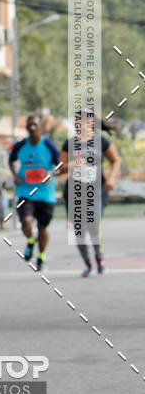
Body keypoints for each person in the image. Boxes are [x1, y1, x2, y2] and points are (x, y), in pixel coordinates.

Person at [59, 111, 121, 277]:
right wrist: (72, 163)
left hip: (97, 191)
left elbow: (115, 160)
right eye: (79, 120)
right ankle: (88, 263)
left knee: (93, 223)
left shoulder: (102, 141)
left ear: (92, 123)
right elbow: (59, 169)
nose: (82, 122)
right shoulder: (69, 143)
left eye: (86, 119)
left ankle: (99, 257)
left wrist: (111, 178)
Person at [8, 115, 60, 271]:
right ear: (26, 128)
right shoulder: (20, 146)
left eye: (35, 125)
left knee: (43, 228)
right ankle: (31, 240)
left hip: (45, 194)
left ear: (40, 127)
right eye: (29, 125)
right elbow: (11, 160)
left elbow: (60, 165)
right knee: (26, 221)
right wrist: (15, 174)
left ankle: (41, 257)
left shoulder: (48, 145)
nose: (32, 128)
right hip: (26, 192)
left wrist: (51, 173)